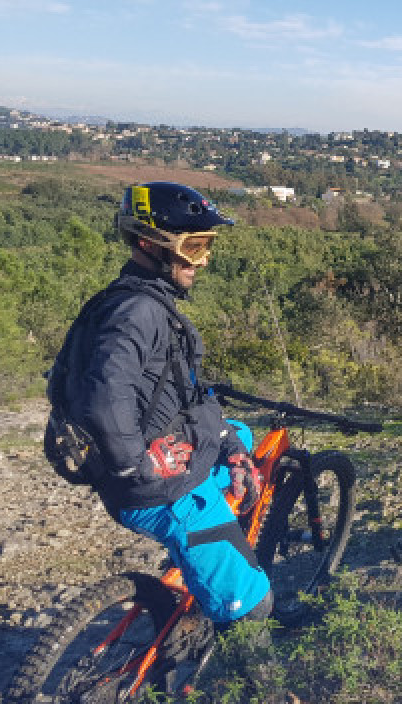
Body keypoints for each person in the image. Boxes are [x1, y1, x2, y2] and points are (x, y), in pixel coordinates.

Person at [61, 182, 272, 644]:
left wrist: (231, 446)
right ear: (146, 243)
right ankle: (259, 686)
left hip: (156, 457)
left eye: (208, 246)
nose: (203, 260)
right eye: (193, 247)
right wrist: (136, 466)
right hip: (161, 487)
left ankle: (202, 560)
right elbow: (104, 397)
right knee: (256, 605)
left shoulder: (127, 301)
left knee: (241, 434)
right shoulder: (138, 312)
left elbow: (186, 395)